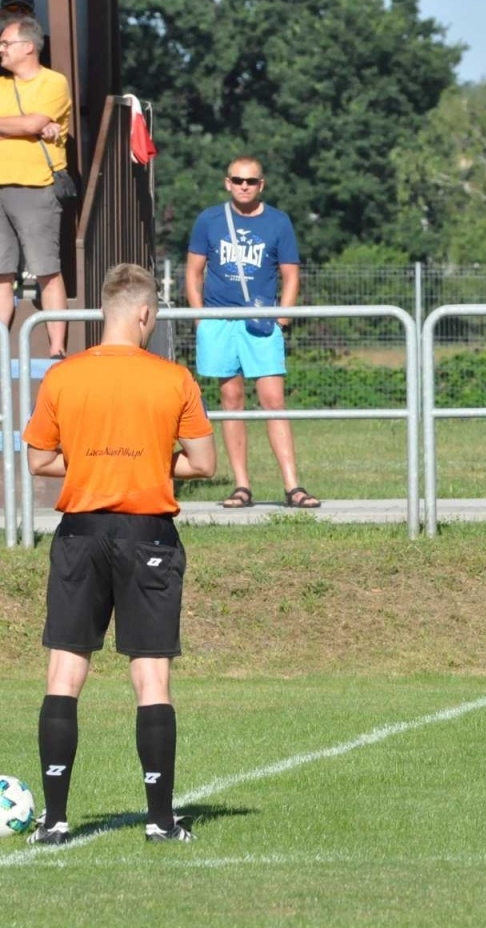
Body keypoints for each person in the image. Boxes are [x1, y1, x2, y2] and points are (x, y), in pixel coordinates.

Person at [21, 263, 216, 845]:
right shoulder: (173, 378)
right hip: (147, 535)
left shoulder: (64, 376)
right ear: (145, 313)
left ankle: (55, 821)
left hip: (79, 534)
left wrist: (93, 462)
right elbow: (204, 463)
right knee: (150, 678)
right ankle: (160, 822)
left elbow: (39, 460)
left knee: (64, 673)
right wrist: (148, 462)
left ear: (105, 312)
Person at [185, 155, 319, 508]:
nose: (244, 186)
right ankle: (241, 486)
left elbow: (291, 274)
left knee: (273, 400)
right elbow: (193, 272)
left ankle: (293, 486)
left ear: (262, 185)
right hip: (219, 321)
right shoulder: (209, 220)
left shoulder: (278, 221)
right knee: (231, 400)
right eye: (238, 180)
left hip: (261, 322)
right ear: (227, 182)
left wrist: (282, 318)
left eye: (251, 181)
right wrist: (200, 318)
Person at [0, 12, 69, 358]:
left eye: (5, 43)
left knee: (46, 270)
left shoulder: (53, 82)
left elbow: (32, 124)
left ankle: (57, 349)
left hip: (35, 187)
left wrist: (31, 125)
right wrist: (25, 125)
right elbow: (28, 125)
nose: (0, 49)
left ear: (28, 46)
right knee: (1, 273)